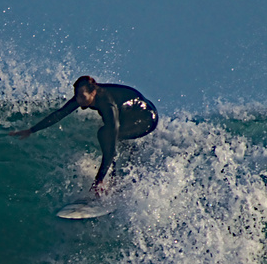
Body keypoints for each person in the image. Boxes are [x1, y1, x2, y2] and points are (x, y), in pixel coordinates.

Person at [12, 76, 158, 197]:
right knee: (110, 135)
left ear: (93, 92)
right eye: (77, 96)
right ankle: (123, 162)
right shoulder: (83, 96)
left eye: (82, 97)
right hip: (130, 113)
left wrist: (98, 179)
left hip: (146, 119)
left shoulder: (107, 104)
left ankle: (114, 182)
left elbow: (111, 146)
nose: (79, 101)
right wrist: (31, 130)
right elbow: (60, 113)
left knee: (106, 135)